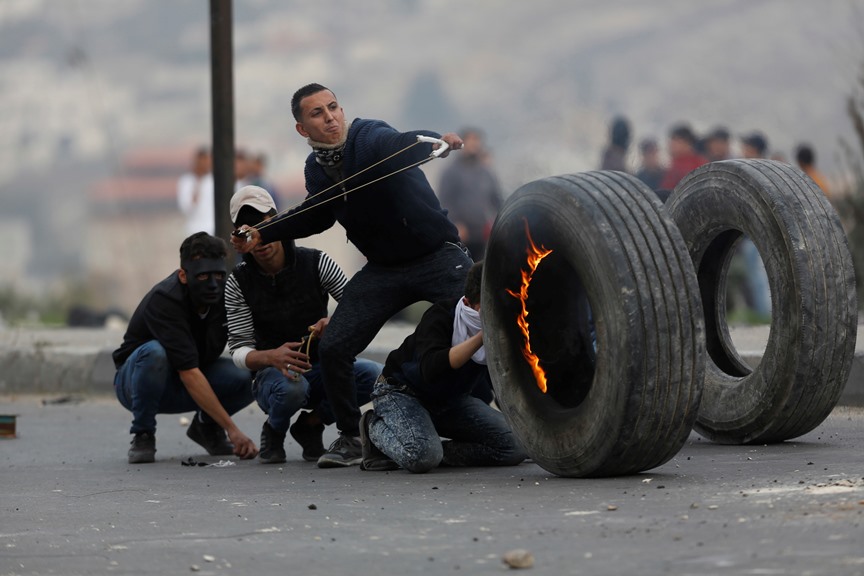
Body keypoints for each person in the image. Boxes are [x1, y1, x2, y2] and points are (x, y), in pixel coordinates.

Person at [231, 83, 473, 468]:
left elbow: (402, 144)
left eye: (333, 108)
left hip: (437, 256)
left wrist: (434, 142)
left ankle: (490, 409)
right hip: (383, 270)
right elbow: (317, 214)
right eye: (317, 114)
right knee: (334, 348)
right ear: (302, 129)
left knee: (483, 324)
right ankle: (347, 435)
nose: (330, 118)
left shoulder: (369, 135)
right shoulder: (316, 169)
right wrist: (264, 232)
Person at [225, 185, 381, 464]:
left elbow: (358, 309)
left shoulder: (317, 262)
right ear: (238, 237)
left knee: (375, 376)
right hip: (273, 376)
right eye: (245, 231)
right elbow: (238, 351)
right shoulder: (237, 282)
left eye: (263, 224)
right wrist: (270, 357)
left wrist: (333, 323)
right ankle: (274, 429)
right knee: (292, 389)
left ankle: (311, 424)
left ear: (278, 221)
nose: (258, 238)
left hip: (323, 366)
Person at [358, 261, 527, 473]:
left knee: (515, 447)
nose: (494, 315)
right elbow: (431, 367)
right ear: (468, 302)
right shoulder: (442, 315)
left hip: (449, 400)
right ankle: (373, 427)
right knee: (421, 458)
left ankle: (432, 449)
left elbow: (503, 382)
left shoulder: (502, 329)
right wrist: (483, 336)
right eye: (488, 308)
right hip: (402, 393)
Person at [113, 232, 257, 464]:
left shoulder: (226, 296)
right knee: (154, 353)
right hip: (137, 385)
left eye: (219, 275)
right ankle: (143, 434)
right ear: (183, 275)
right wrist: (233, 430)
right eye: (202, 277)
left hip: (190, 380)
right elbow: (188, 373)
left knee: (249, 371)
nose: (212, 285)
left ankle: (206, 428)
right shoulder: (165, 300)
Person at [437, 127, 503, 260]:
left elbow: (496, 199)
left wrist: (501, 221)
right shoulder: (451, 171)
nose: (474, 144)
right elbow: (445, 199)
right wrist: (456, 223)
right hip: (462, 232)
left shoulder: (485, 171)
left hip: (483, 231)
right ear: (462, 143)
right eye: (470, 140)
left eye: (477, 140)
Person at [176, 146, 215, 236]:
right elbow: (186, 207)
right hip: (194, 230)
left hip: (212, 229)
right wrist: (197, 183)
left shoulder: (213, 180)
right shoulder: (186, 181)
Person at [660, 123, 707, 190]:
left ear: (687, 143)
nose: (671, 145)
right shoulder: (672, 165)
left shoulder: (699, 163)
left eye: (676, 141)